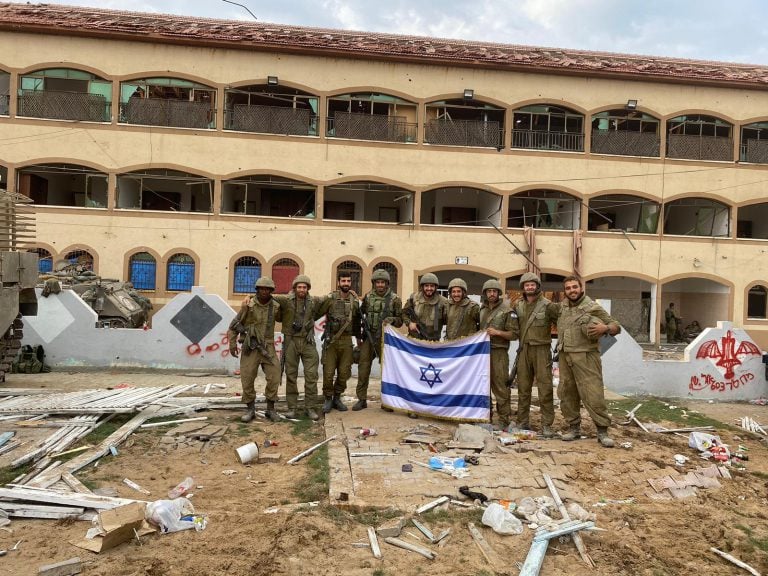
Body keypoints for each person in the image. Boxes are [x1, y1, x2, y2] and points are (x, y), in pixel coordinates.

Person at [556, 275, 621, 448]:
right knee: (567, 393)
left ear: (581, 287)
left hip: (587, 356)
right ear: (565, 291)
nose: (572, 290)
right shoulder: (561, 308)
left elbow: (616, 326)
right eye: (568, 288)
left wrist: (605, 328)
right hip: (565, 355)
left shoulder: (592, 307)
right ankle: (574, 428)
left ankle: (602, 431)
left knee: (593, 393)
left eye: (574, 287)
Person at [510, 272, 559, 436]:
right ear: (523, 287)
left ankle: (547, 425)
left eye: (532, 284)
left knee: (545, 389)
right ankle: (522, 422)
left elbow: (562, 324)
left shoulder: (548, 305)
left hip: (542, 350)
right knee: (523, 388)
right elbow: (513, 326)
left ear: (537, 286)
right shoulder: (518, 305)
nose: (529, 287)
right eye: (526, 285)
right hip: (524, 349)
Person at [228, 276, 283, 423]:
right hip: (250, 346)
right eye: (261, 289)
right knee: (247, 377)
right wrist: (232, 344)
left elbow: (289, 300)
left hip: (268, 346)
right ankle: (250, 409)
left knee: (275, 376)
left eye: (267, 289)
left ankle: (270, 409)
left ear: (271, 291)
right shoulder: (248, 305)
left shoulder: (276, 306)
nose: (264, 291)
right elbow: (234, 325)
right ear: (257, 290)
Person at [272, 275, 322, 421]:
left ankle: (310, 407)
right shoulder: (286, 300)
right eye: (299, 287)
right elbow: (269, 296)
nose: (302, 290)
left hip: (308, 341)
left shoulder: (313, 302)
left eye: (304, 287)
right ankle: (292, 408)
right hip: (291, 341)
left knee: (311, 376)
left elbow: (328, 301)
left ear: (308, 289)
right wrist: (248, 298)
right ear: (294, 288)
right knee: (291, 375)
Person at [355, 269, 403, 411]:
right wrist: (359, 335)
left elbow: (400, 321)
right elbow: (360, 315)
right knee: (363, 368)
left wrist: (392, 319)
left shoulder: (395, 299)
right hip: (369, 337)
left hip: (386, 339)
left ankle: (387, 401)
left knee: (387, 371)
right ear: (374, 283)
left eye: (382, 282)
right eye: (378, 282)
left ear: (387, 283)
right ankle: (361, 399)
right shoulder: (368, 297)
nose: (380, 285)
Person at [317, 271, 361, 413]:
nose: (346, 284)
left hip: (347, 341)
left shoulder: (354, 301)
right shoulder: (330, 299)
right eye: (343, 281)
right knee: (328, 373)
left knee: (344, 373)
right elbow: (317, 311)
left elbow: (356, 322)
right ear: (338, 282)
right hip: (331, 341)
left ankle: (337, 397)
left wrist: (358, 338)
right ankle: (328, 398)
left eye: (348, 281)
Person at [478, 278, 516, 430]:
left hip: (499, 352)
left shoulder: (507, 311)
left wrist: (498, 332)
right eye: (489, 291)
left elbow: (514, 334)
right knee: (483, 386)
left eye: (494, 291)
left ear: (499, 293)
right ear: (485, 293)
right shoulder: (482, 310)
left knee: (500, 387)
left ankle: (503, 420)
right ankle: (486, 416)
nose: (491, 294)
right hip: (482, 353)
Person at [402, 272, 448, 341]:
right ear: (422, 287)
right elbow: (403, 313)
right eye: (426, 286)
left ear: (436, 287)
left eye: (432, 286)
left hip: (433, 341)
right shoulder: (414, 298)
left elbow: (448, 320)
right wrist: (409, 323)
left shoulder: (443, 301)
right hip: (415, 339)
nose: (429, 288)